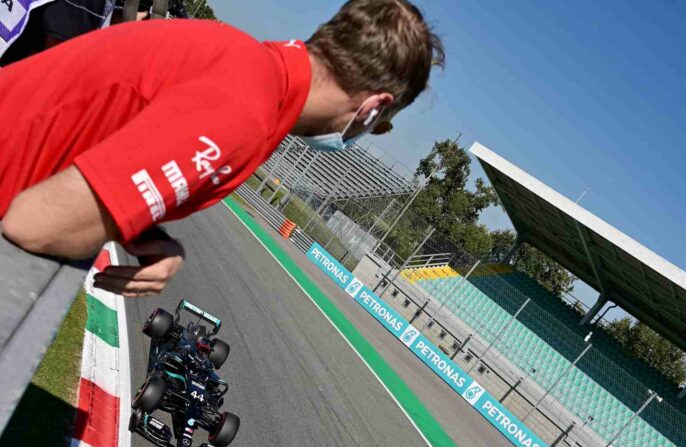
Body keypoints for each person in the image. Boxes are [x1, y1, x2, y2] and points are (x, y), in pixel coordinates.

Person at [0, 0, 444, 297]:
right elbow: (37, 224)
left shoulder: (248, 65)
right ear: (371, 109)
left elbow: (102, 143)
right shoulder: (246, 112)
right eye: (379, 127)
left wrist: (146, 235)